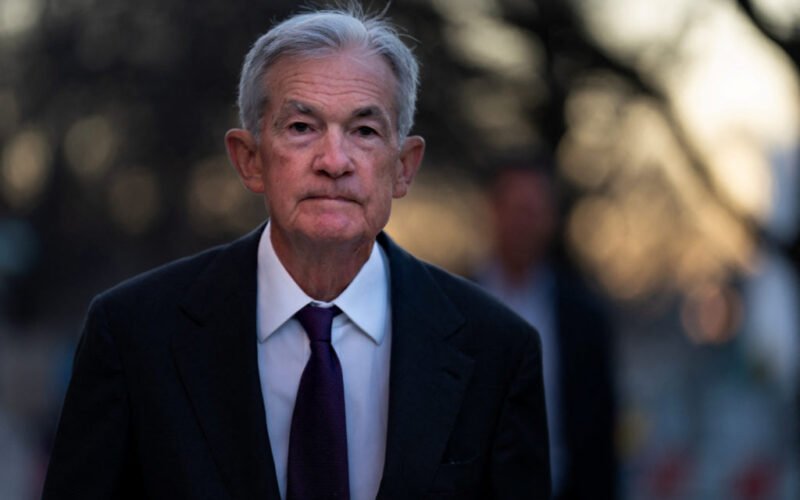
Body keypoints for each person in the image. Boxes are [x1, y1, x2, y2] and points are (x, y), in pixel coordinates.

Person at [42, 5, 550, 499]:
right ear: (249, 159)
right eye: (302, 127)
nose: (334, 161)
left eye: (365, 131)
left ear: (403, 168)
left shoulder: (498, 350)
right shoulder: (132, 334)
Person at [475, 159, 618, 500]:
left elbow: (600, 428)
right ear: (493, 212)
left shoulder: (583, 316)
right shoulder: (450, 302)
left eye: (533, 211)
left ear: (552, 219)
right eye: (515, 209)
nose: (523, 223)